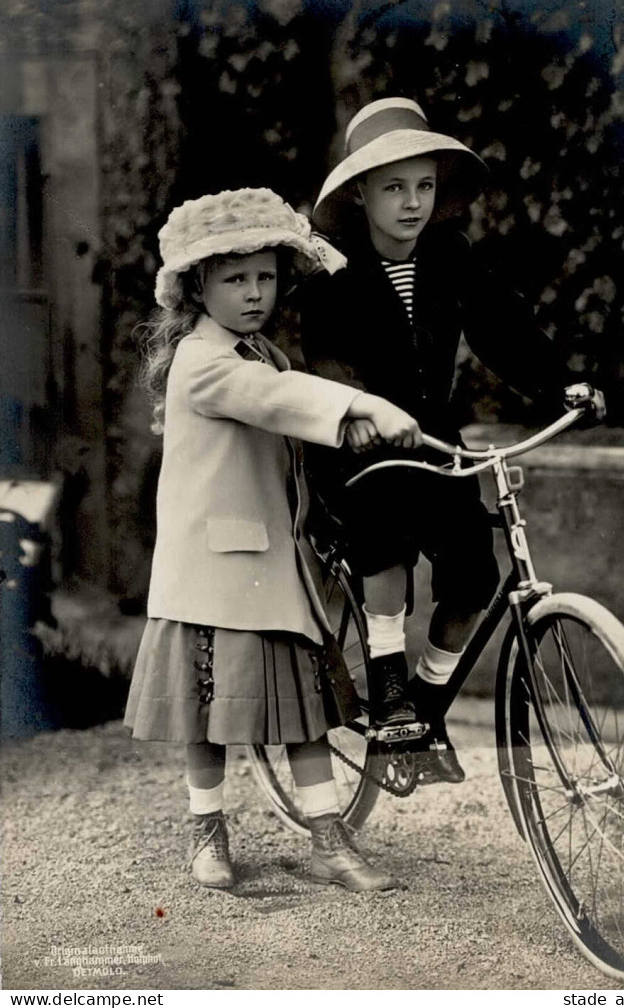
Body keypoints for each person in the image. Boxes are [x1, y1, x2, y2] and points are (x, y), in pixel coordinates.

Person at [124, 186, 423, 892]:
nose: (255, 291)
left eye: (264, 275)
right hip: (214, 569)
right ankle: (208, 834)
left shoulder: (265, 351)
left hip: (272, 561)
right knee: (208, 714)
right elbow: (275, 402)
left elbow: (290, 415)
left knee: (303, 707)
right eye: (235, 278)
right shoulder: (203, 361)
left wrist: (349, 426)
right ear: (199, 287)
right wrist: (359, 404)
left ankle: (326, 837)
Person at [299, 97, 605, 785]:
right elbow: (325, 359)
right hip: (355, 441)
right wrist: (360, 409)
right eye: (394, 187)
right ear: (361, 192)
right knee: (383, 537)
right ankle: (391, 698)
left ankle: (428, 706)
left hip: (433, 440)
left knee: (475, 567)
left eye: (424, 186)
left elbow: (504, 327)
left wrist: (562, 383)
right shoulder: (333, 271)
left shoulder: (449, 255)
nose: (411, 203)